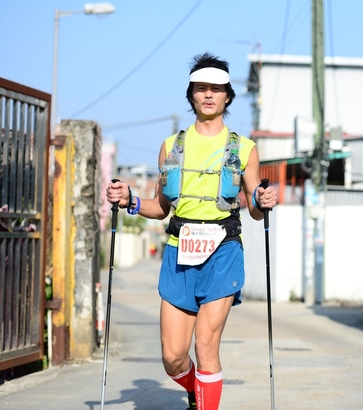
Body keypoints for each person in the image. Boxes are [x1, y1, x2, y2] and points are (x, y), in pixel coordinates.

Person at [106, 52, 277, 410]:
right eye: (202, 89)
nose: (209, 95)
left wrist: (263, 197)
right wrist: (130, 200)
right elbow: (160, 207)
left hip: (224, 251)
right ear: (192, 95)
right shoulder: (172, 147)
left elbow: (256, 210)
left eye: (217, 89)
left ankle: (204, 398)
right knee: (173, 357)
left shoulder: (244, 149)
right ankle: (195, 392)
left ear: (228, 96)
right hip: (178, 251)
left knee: (206, 344)